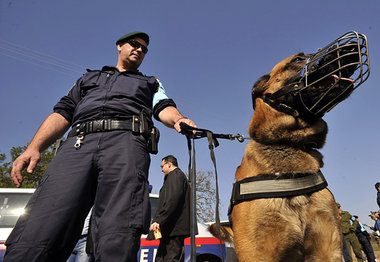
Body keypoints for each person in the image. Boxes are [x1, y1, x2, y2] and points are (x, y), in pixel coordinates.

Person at [4, 31, 196, 262]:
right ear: (119, 46)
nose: (139, 50)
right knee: (42, 222)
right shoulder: (87, 79)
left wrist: (178, 119)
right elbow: (62, 113)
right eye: (134, 44)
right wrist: (33, 148)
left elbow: (163, 105)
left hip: (126, 144)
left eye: (144, 49)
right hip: (78, 144)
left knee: (118, 228)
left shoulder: (150, 82)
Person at [149, 155, 190, 262]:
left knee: (170, 258)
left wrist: (159, 220)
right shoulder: (175, 177)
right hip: (169, 230)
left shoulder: (175, 176)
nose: (161, 169)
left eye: (162, 166)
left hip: (174, 230)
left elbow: (172, 200)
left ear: (169, 164)